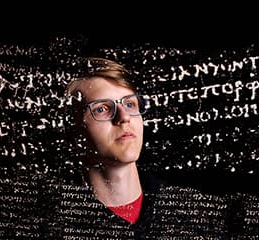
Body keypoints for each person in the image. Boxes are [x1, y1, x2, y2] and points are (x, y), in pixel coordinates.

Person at [40, 57, 229, 239]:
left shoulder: (195, 215)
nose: (124, 117)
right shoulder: (49, 225)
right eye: (102, 108)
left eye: (130, 104)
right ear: (73, 130)